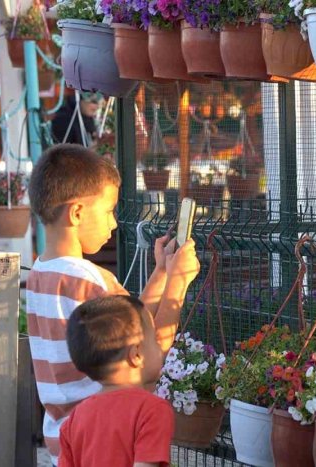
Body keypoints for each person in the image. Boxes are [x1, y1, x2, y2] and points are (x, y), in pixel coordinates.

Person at [25, 143, 199, 464]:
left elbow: (133, 321)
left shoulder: (39, 274)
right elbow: (148, 350)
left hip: (69, 440)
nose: (114, 223)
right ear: (76, 212)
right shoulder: (88, 279)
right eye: (108, 211)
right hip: (110, 436)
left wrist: (161, 271)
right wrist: (179, 281)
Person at [59, 296, 174, 467]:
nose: (160, 347)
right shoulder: (152, 410)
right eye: (155, 341)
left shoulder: (75, 419)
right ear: (136, 355)